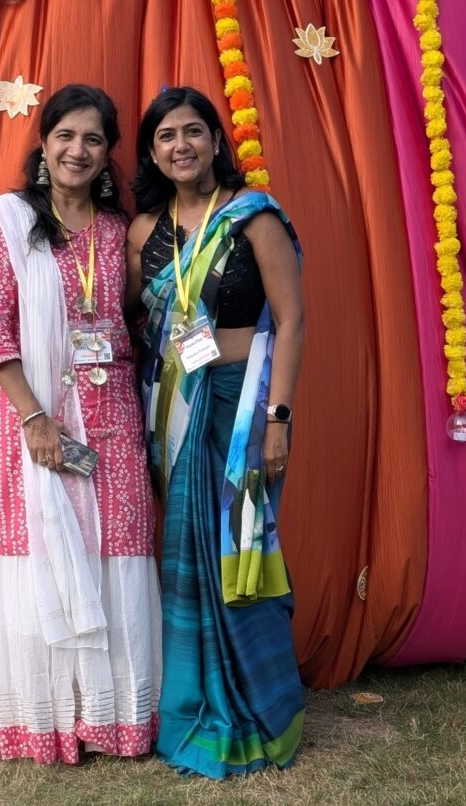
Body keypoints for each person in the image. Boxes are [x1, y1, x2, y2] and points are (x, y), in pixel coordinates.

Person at [0, 84, 161, 765]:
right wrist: (36, 419)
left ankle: (113, 718)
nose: (78, 150)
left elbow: (130, 321)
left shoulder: (119, 231)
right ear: (43, 145)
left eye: (94, 139)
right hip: (29, 419)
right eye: (66, 136)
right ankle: (46, 719)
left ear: (109, 155)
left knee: (117, 555)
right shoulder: (4, 219)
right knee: (41, 561)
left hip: (110, 415)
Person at [126, 86, 306, 778]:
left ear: (214, 140)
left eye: (193, 132)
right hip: (175, 409)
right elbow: (123, 326)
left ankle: (261, 707)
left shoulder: (252, 216)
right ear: (152, 150)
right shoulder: (143, 231)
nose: (182, 146)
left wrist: (277, 418)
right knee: (188, 559)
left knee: (242, 555)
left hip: (244, 408)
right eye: (167, 135)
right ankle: (194, 704)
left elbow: (291, 320)